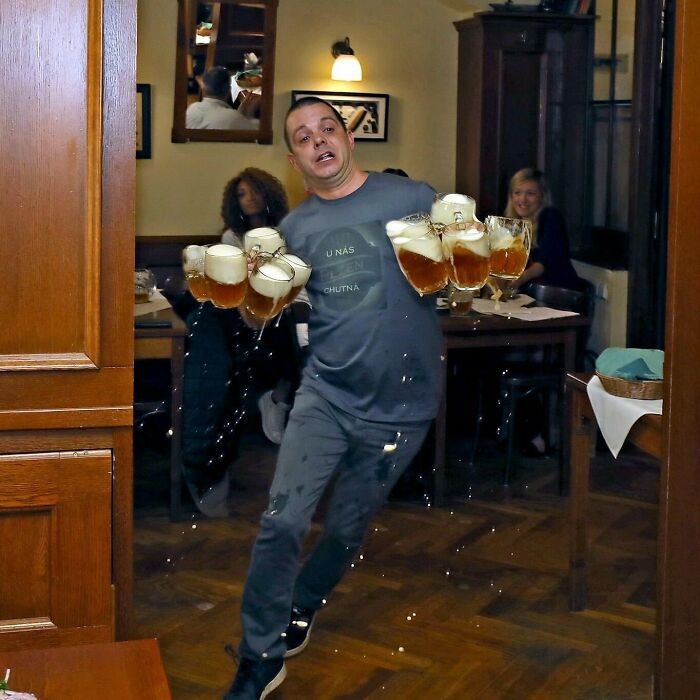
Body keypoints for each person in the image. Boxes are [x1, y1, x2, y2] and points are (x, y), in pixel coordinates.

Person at [223, 97, 444, 699]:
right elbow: (262, 316)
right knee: (282, 521)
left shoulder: (413, 197)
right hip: (326, 394)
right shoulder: (293, 231)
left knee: (347, 527)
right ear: (295, 162)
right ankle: (260, 655)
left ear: (349, 139)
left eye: (327, 128)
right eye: (302, 137)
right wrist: (248, 296)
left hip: (403, 405)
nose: (318, 139)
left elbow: (456, 265)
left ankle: (304, 601)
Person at [181, 169, 301, 517]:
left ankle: (278, 398)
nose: (249, 199)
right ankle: (268, 401)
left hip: (283, 307)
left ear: (268, 193)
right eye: (241, 194)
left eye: (254, 192)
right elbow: (237, 287)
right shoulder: (233, 237)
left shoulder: (288, 232)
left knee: (299, 332)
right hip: (245, 315)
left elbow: (295, 275)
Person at [505, 167, 584, 291]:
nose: (523, 199)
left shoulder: (551, 217)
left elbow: (541, 265)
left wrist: (514, 282)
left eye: (530, 193)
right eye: (517, 193)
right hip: (533, 293)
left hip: (559, 294)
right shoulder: (514, 224)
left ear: (542, 196)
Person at [186, 66, 260, 130]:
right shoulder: (233, 118)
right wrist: (250, 114)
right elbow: (256, 133)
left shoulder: (192, 109)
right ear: (229, 90)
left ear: (204, 89)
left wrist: (239, 114)